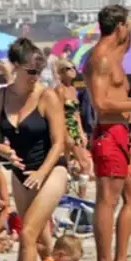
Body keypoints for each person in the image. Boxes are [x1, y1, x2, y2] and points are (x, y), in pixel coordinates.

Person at [0, 38, 70, 261]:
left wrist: (42, 171)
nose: (35, 77)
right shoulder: (0, 97)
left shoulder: (47, 95)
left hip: (52, 169)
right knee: (41, 241)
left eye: (38, 71)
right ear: (15, 67)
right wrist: (5, 153)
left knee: (26, 233)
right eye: (30, 71)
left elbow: (60, 142)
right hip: (20, 171)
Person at [85, 5, 131, 261]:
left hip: (122, 133)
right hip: (108, 133)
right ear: (120, 28)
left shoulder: (116, 53)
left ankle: (121, 259)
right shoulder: (100, 58)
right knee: (107, 199)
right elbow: (100, 103)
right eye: (129, 25)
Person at [54, 63, 92, 192]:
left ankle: (74, 194)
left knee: (71, 164)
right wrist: (66, 134)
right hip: (66, 127)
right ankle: (79, 195)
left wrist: (81, 132)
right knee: (83, 164)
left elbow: (76, 113)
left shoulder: (72, 89)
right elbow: (57, 114)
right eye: (68, 68)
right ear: (61, 73)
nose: (73, 71)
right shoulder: (60, 90)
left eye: (73, 68)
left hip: (74, 126)